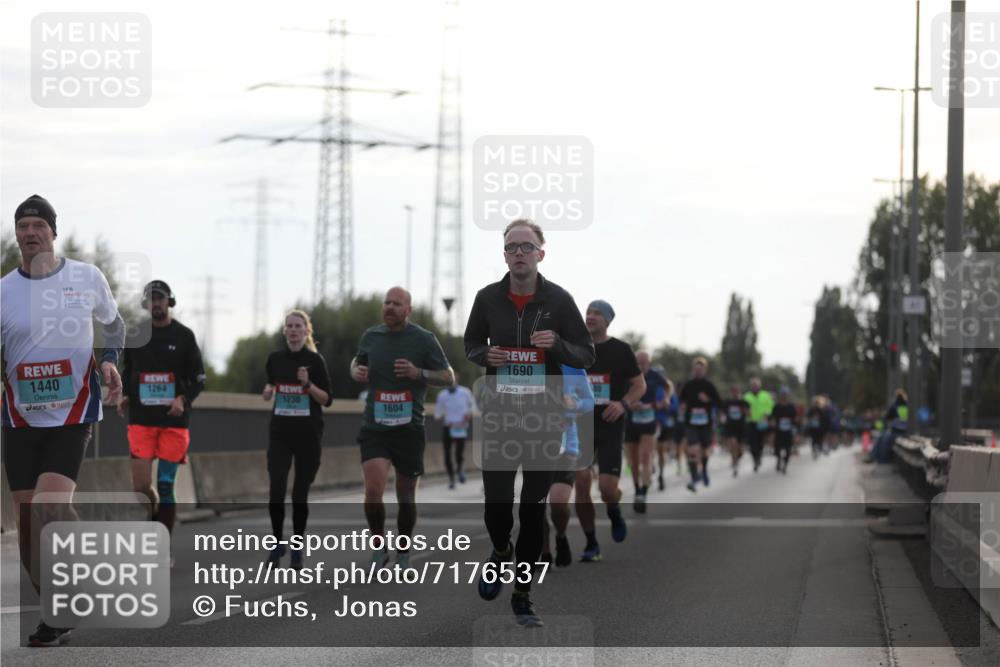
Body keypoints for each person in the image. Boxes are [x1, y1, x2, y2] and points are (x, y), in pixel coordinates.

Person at [1, 195, 125, 647]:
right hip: (19, 417)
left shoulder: (86, 277)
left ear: (54, 231)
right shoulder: (3, 290)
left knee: (50, 507)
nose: (30, 232)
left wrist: (110, 363)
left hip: (73, 411)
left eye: (38, 225)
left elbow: (115, 326)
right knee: (28, 524)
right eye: (22, 226)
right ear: (17, 234)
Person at [464, 219, 594, 628]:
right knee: (497, 505)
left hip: (545, 419)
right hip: (501, 417)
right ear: (504, 254)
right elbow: (470, 344)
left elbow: (586, 354)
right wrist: (486, 357)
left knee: (533, 509)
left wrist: (556, 344)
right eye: (511, 247)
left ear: (541, 252)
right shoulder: (487, 299)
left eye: (526, 246)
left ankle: (522, 594)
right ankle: (500, 550)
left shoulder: (559, 300)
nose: (518, 253)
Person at [353, 287, 454, 570]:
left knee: (406, 496)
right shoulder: (371, 337)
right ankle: (378, 549)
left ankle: (405, 549)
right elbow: (357, 364)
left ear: (408, 309)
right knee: (373, 489)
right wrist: (356, 371)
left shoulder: (423, 340)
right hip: (375, 426)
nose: (390, 307)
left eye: (397, 304)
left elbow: (448, 377)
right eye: (386, 302)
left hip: (409, 429)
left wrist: (417, 373)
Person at [119, 280, 205, 544]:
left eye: (160, 298)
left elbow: (199, 379)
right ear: (147, 304)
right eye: (151, 299)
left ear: (169, 301)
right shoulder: (135, 335)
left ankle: (163, 544)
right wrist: (124, 394)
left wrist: (183, 398)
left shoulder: (184, 336)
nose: (156, 303)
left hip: (173, 421)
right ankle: (155, 513)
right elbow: (128, 370)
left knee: (166, 484)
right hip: (142, 420)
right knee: (141, 488)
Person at [261, 310, 333, 569]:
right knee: (276, 490)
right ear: (284, 331)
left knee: (299, 494)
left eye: (297, 326)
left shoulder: (315, 361)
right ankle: (277, 542)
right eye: (289, 326)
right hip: (280, 432)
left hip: (308, 435)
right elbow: (271, 386)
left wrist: (307, 385)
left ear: (306, 331)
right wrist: (268, 391)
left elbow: (327, 399)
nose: (292, 330)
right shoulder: (275, 359)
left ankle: (297, 546)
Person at [575, 300, 643, 562]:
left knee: (606, 488)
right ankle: (591, 542)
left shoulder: (621, 350)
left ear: (608, 321)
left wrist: (623, 403)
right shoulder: (575, 349)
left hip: (611, 425)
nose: (591, 316)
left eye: (597, 314)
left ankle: (613, 509)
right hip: (580, 424)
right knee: (581, 481)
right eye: (588, 312)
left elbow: (639, 386)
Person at [541, 364, 595, 567]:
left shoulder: (574, 368)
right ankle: (544, 552)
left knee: (558, 501)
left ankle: (561, 535)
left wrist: (574, 404)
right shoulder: (532, 361)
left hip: (566, 445)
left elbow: (589, 401)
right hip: (534, 443)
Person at [624, 351, 667, 512]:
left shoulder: (656, 376)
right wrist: (628, 403)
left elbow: (668, 387)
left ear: (649, 363)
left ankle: (643, 492)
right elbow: (618, 391)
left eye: (644, 362)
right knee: (633, 462)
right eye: (638, 363)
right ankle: (637, 489)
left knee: (646, 457)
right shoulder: (628, 374)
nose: (641, 366)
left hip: (649, 421)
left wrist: (666, 399)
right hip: (631, 421)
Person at [678, 357, 722, 492]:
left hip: (706, 424)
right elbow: (681, 401)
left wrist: (708, 400)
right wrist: (683, 406)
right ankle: (694, 477)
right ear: (693, 370)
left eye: (700, 369)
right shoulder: (688, 385)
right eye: (696, 369)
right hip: (691, 423)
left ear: (705, 371)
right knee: (693, 449)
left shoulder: (709, 386)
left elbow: (719, 403)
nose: (698, 371)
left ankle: (704, 471)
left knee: (704, 452)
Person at [434, 381, 475, 489]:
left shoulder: (465, 392)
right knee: (447, 453)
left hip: (460, 426)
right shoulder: (442, 395)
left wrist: (468, 415)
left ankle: (460, 469)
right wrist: (440, 417)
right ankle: (451, 478)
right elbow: (437, 413)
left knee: (459, 452)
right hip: (448, 426)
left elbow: (472, 406)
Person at [868, 389, 908, 464]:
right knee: (882, 438)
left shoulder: (895, 406)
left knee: (882, 439)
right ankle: (874, 457)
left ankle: (880, 459)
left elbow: (887, 417)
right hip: (905, 431)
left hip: (897, 432)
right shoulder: (907, 405)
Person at [743, 378, 774, 473]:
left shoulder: (766, 395)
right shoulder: (746, 396)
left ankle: (759, 456)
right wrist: (746, 412)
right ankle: (755, 459)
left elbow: (771, 406)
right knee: (752, 442)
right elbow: (743, 407)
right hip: (751, 421)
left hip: (761, 422)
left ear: (759, 386)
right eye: (753, 385)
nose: (755, 387)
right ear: (750, 386)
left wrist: (767, 414)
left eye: (756, 385)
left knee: (760, 441)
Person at [720, 385, 749, 477]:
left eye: (737, 391)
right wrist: (722, 418)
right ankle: (734, 461)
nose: (735, 393)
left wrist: (745, 411)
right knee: (733, 444)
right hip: (730, 427)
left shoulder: (744, 402)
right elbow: (722, 413)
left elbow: (749, 414)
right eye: (733, 391)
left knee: (740, 449)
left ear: (739, 392)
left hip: (741, 427)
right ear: (731, 392)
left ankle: (737, 457)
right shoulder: (727, 402)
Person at [771, 387, 799, 473]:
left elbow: (796, 419)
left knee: (788, 449)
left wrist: (796, 431)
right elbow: (772, 417)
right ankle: (779, 460)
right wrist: (772, 423)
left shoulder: (791, 407)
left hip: (788, 431)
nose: (784, 397)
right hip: (779, 431)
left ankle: (785, 466)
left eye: (785, 395)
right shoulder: (777, 406)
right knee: (777, 448)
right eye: (783, 395)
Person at [805, 396, 828, 460]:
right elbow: (807, 416)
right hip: (813, 428)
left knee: (819, 439)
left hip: (819, 428)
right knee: (813, 439)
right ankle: (814, 450)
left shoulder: (821, 410)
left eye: (817, 403)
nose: (816, 405)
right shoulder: (811, 410)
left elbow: (824, 418)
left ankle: (818, 449)